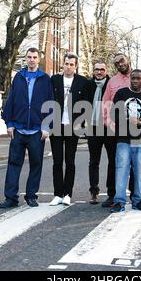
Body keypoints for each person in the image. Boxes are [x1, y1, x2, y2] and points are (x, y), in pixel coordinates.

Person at [0, 48, 54, 208]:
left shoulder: (45, 79)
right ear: (26, 59)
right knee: (13, 164)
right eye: (29, 57)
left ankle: (31, 196)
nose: (31, 60)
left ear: (39, 59)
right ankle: (11, 198)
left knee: (36, 164)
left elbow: (50, 103)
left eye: (34, 57)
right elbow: (11, 100)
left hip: (37, 131)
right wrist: (9, 124)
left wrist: (46, 127)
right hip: (18, 129)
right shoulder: (19, 77)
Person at [101, 53, 141, 207]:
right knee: (121, 169)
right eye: (133, 78)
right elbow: (111, 109)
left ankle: (138, 200)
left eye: (138, 79)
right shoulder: (119, 90)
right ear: (130, 79)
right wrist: (119, 123)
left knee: (140, 171)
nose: (136, 80)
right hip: (122, 136)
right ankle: (119, 200)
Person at [49, 53, 89, 206]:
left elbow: (86, 104)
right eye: (66, 63)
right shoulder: (54, 80)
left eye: (72, 64)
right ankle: (58, 194)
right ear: (63, 64)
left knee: (70, 161)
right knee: (57, 161)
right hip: (56, 126)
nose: (69, 66)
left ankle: (67, 194)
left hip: (73, 127)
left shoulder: (82, 81)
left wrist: (81, 123)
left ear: (76, 66)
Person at [86, 61, 114, 205]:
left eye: (102, 69)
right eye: (96, 69)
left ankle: (111, 193)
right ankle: (94, 192)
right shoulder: (88, 84)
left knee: (112, 161)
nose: (99, 72)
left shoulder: (111, 84)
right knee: (94, 162)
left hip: (109, 128)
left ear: (106, 70)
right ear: (93, 71)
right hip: (93, 128)